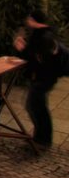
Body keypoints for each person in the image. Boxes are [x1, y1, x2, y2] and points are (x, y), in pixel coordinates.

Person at [14, 10, 64, 149]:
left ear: (35, 20)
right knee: (36, 106)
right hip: (42, 77)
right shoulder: (41, 34)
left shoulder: (44, 37)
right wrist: (24, 49)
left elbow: (39, 60)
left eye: (30, 19)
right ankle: (40, 138)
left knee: (35, 107)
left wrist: (22, 49)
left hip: (44, 78)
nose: (27, 21)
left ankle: (43, 140)